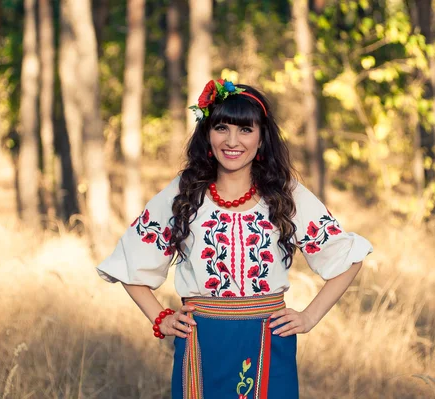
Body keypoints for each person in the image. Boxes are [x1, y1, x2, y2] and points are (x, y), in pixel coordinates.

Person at [96, 79, 373, 399]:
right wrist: (160, 317)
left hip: (269, 341)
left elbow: (347, 255)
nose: (232, 140)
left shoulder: (284, 193)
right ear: (208, 134)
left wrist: (309, 316)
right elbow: (129, 258)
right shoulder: (184, 191)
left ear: (261, 138)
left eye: (245, 129)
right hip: (202, 343)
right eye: (221, 128)